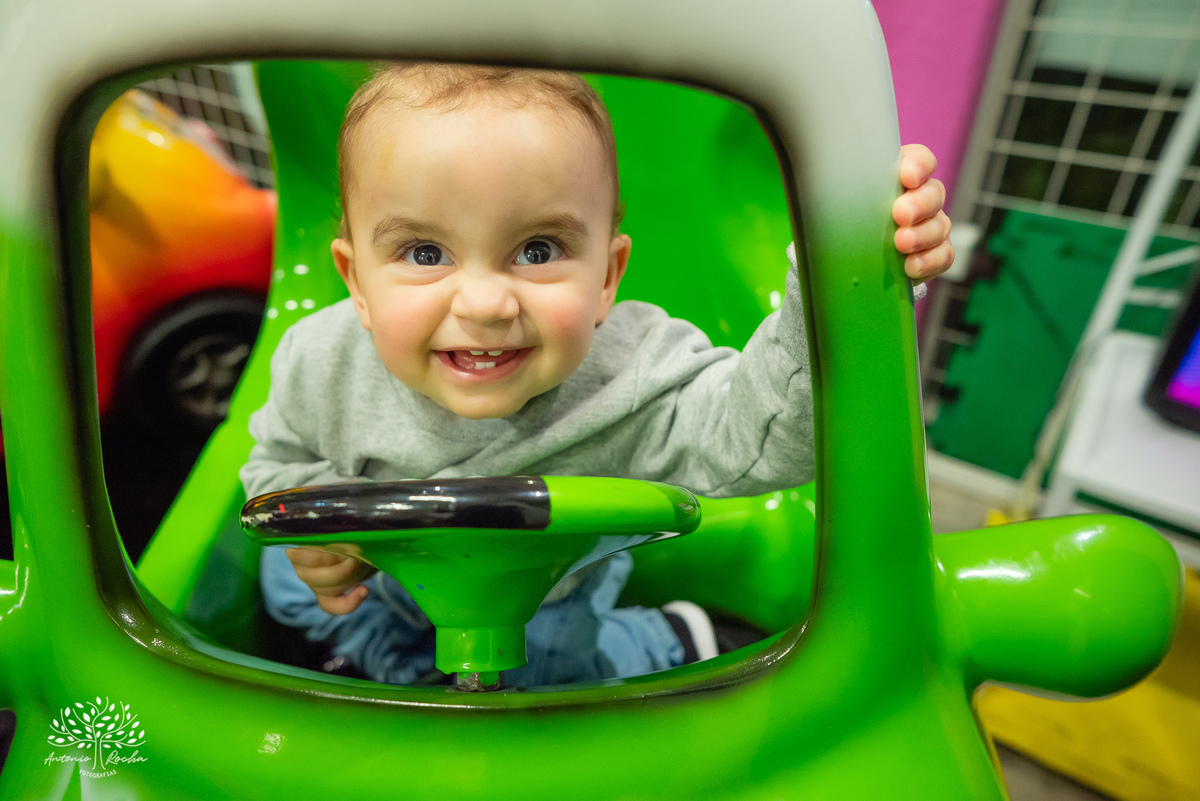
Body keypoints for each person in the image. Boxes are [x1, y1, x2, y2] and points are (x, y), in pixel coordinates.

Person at [240, 63, 954, 687]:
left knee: (547, 680)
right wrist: (317, 543)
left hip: (547, 599)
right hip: (385, 580)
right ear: (355, 280)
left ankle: (659, 638)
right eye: (425, 253)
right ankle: (403, 666)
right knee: (283, 586)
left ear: (608, 274)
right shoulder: (319, 360)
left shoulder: (631, 369)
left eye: (537, 247)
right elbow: (276, 459)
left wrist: (840, 277)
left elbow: (768, 441)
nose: (486, 305)